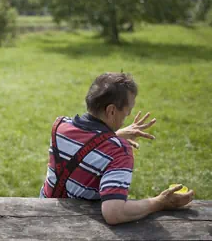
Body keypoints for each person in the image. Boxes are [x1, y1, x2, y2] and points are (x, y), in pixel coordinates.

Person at [39, 72, 194, 225]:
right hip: (75, 226)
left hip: (42, 214)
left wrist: (114, 136)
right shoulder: (119, 151)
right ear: (111, 111)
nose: (129, 114)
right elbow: (114, 213)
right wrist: (159, 202)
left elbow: (84, 146)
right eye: (127, 111)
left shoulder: (60, 126)